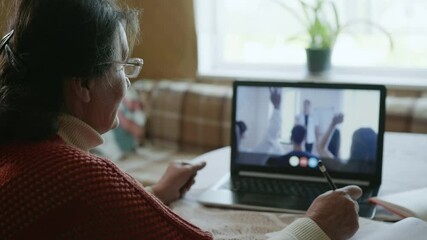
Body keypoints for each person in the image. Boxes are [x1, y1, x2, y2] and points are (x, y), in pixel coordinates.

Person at [0, 0, 361, 239]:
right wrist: (316, 226)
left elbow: (81, 219)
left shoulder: (18, 148)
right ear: (81, 84)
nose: (127, 82)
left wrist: (151, 196)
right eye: (122, 65)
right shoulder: (81, 174)